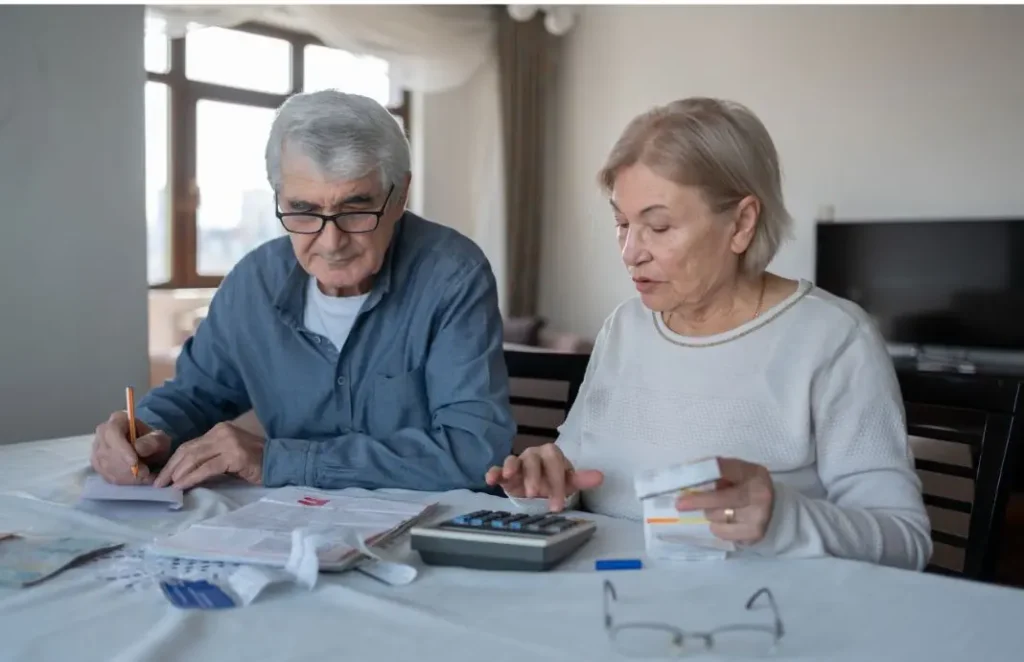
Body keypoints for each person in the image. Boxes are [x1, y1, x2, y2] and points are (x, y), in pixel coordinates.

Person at [485, 97, 932, 571]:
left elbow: (906, 541)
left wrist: (782, 518)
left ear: (741, 224)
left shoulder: (832, 338)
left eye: (658, 226)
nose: (630, 252)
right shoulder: (625, 326)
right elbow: (575, 475)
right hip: (612, 599)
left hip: (755, 624)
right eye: (621, 223)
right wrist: (544, 483)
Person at [91, 90, 515, 492]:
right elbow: (193, 395)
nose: (331, 243)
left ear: (400, 195)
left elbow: (472, 452)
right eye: (303, 210)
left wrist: (282, 460)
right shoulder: (253, 282)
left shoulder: (451, 274)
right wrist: (142, 432)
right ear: (279, 198)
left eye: (355, 208)